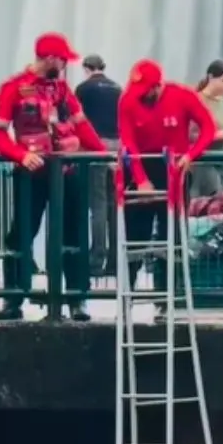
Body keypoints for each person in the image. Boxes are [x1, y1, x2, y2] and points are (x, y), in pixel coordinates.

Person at [0, 32, 108, 321]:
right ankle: (13, 299)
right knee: (20, 234)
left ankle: (77, 299)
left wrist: (104, 154)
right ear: (50, 59)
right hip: (31, 173)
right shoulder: (13, 88)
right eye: (63, 60)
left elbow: (81, 126)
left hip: (66, 171)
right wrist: (20, 155)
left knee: (73, 233)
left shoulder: (63, 90)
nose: (66, 65)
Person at [116, 59, 217, 316]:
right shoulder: (127, 101)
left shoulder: (182, 96)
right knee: (134, 236)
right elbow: (128, 143)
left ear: (158, 86)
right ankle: (126, 299)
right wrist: (140, 180)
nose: (141, 97)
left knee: (171, 236)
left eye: (145, 92)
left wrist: (191, 156)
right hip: (142, 167)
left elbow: (208, 128)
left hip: (175, 170)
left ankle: (167, 299)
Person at [74, 54, 123, 277]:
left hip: (94, 146)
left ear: (86, 68)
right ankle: (115, 261)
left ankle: (96, 260)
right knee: (114, 203)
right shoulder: (117, 88)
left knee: (98, 204)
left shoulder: (83, 89)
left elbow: (75, 120)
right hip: (117, 146)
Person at [188, 59, 223, 198]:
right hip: (205, 161)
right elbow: (191, 134)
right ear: (211, 77)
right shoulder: (197, 100)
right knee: (212, 197)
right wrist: (219, 135)